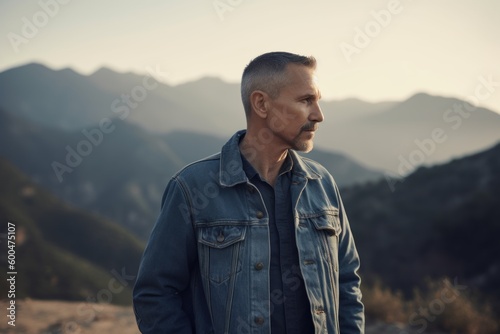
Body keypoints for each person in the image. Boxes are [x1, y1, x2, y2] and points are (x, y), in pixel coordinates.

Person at [133, 51, 364, 333]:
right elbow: (155, 293)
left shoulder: (323, 184)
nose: (318, 115)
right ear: (261, 104)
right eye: (306, 101)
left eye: (317, 101)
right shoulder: (192, 188)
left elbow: (347, 283)